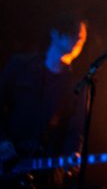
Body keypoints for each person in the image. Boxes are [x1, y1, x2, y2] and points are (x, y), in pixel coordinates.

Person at [0, 13, 88, 187]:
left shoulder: (77, 87)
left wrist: (73, 153)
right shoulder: (19, 66)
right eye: (73, 32)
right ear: (54, 33)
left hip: (45, 175)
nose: (79, 39)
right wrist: (2, 140)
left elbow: (75, 130)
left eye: (82, 38)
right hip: (7, 164)